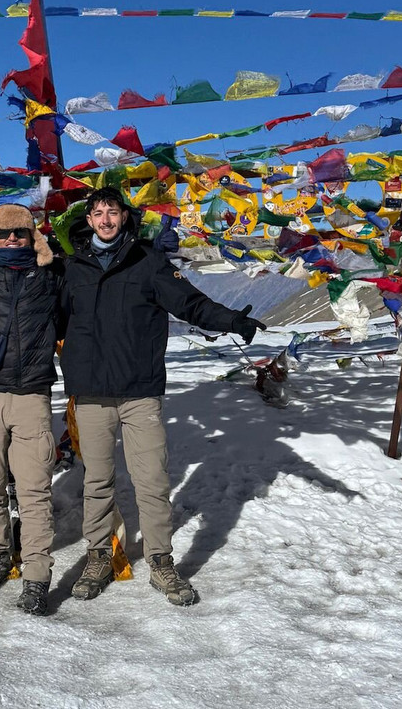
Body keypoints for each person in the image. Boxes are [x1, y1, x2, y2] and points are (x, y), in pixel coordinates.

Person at [60, 187, 265, 606]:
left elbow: (189, 303)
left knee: (151, 480)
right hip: (92, 392)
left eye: (112, 213)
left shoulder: (148, 262)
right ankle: (98, 556)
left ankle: (160, 561)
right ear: (89, 220)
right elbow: (50, 320)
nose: (105, 220)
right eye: (97, 213)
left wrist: (231, 320)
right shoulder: (71, 268)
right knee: (97, 481)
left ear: (124, 217)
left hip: (139, 390)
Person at [0, 204, 62, 616]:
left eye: (20, 232)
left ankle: (37, 575)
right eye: (3, 234)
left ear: (32, 236)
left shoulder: (54, 276)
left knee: (35, 491)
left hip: (33, 395)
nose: (12, 240)